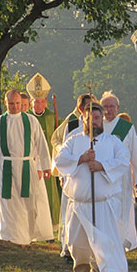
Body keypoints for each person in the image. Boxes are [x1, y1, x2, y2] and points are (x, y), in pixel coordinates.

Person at [54, 102, 130, 272]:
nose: (95, 122)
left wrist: (101, 166)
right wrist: (81, 159)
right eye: (90, 119)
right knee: (77, 244)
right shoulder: (73, 141)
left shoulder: (113, 142)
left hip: (102, 205)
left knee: (101, 243)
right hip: (79, 205)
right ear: (83, 120)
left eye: (98, 118)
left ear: (102, 119)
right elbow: (60, 161)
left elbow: (122, 162)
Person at [0, 89, 54, 245]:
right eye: (11, 103)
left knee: (28, 202)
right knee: (8, 203)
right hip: (6, 166)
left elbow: (41, 144)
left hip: (27, 165)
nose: (15, 106)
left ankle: (27, 237)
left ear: (21, 103)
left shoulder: (31, 121)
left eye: (17, 103)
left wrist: (46, 166)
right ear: (5, 103)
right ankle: (9, 237)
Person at [100, 91, 137, 251]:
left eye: (111, 106)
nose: (109, 110)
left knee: (122, 210)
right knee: (105, 210)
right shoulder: (97, 126)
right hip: (102, 177)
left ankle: (120, 241)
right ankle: (105, 242)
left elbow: (135, 152)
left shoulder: (126, 128)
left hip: (122, 178)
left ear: (118, 108)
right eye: (105, 107)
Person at [51, 93, 96, 262]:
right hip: (74, 178)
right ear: (80, 109)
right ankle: (67, 248)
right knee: (69, 216)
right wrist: (64, 174)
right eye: (87, 108)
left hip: (93, 181)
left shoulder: (100, 126)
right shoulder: (71, 125)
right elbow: (61, 149)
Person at [26, 73, 61, 230]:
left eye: (41, 102)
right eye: (36, 102)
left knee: (50, 194)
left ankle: (51, 226)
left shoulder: (52, 117)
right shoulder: (25, 118)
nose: (39, 105)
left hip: (48, 161)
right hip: (30, 162)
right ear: (31, 102)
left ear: (45, 102)